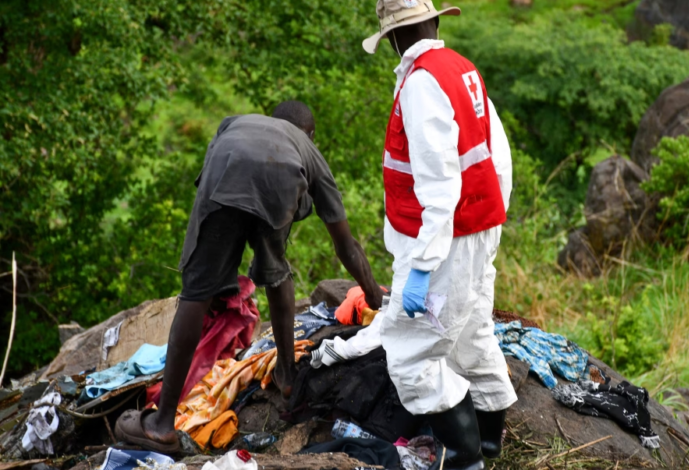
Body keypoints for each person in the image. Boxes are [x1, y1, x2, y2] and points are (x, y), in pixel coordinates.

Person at [115, 102, 384, 452]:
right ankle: (287, 375)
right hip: (282, 183)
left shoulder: (236, 123)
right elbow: (346, 246)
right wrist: (376, 299)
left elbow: (216, 184)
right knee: (276, 272)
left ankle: (162, 424)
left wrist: (211, 286)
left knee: (195, 294)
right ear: (310, 135)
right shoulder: (308, 150)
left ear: (273, 121)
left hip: (224, 173)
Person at [362, 2, 516, 468]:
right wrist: (490, 222)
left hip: (445, 239)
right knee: (471, 334)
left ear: (391, 37)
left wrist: (423, 267)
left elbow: (440, 182)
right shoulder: (460, 69)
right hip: (475, 227)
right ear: (436, 21)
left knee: (411, 355)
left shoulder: (422, 83)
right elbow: (498, 153)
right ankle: (489, 443)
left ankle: (466, 458)